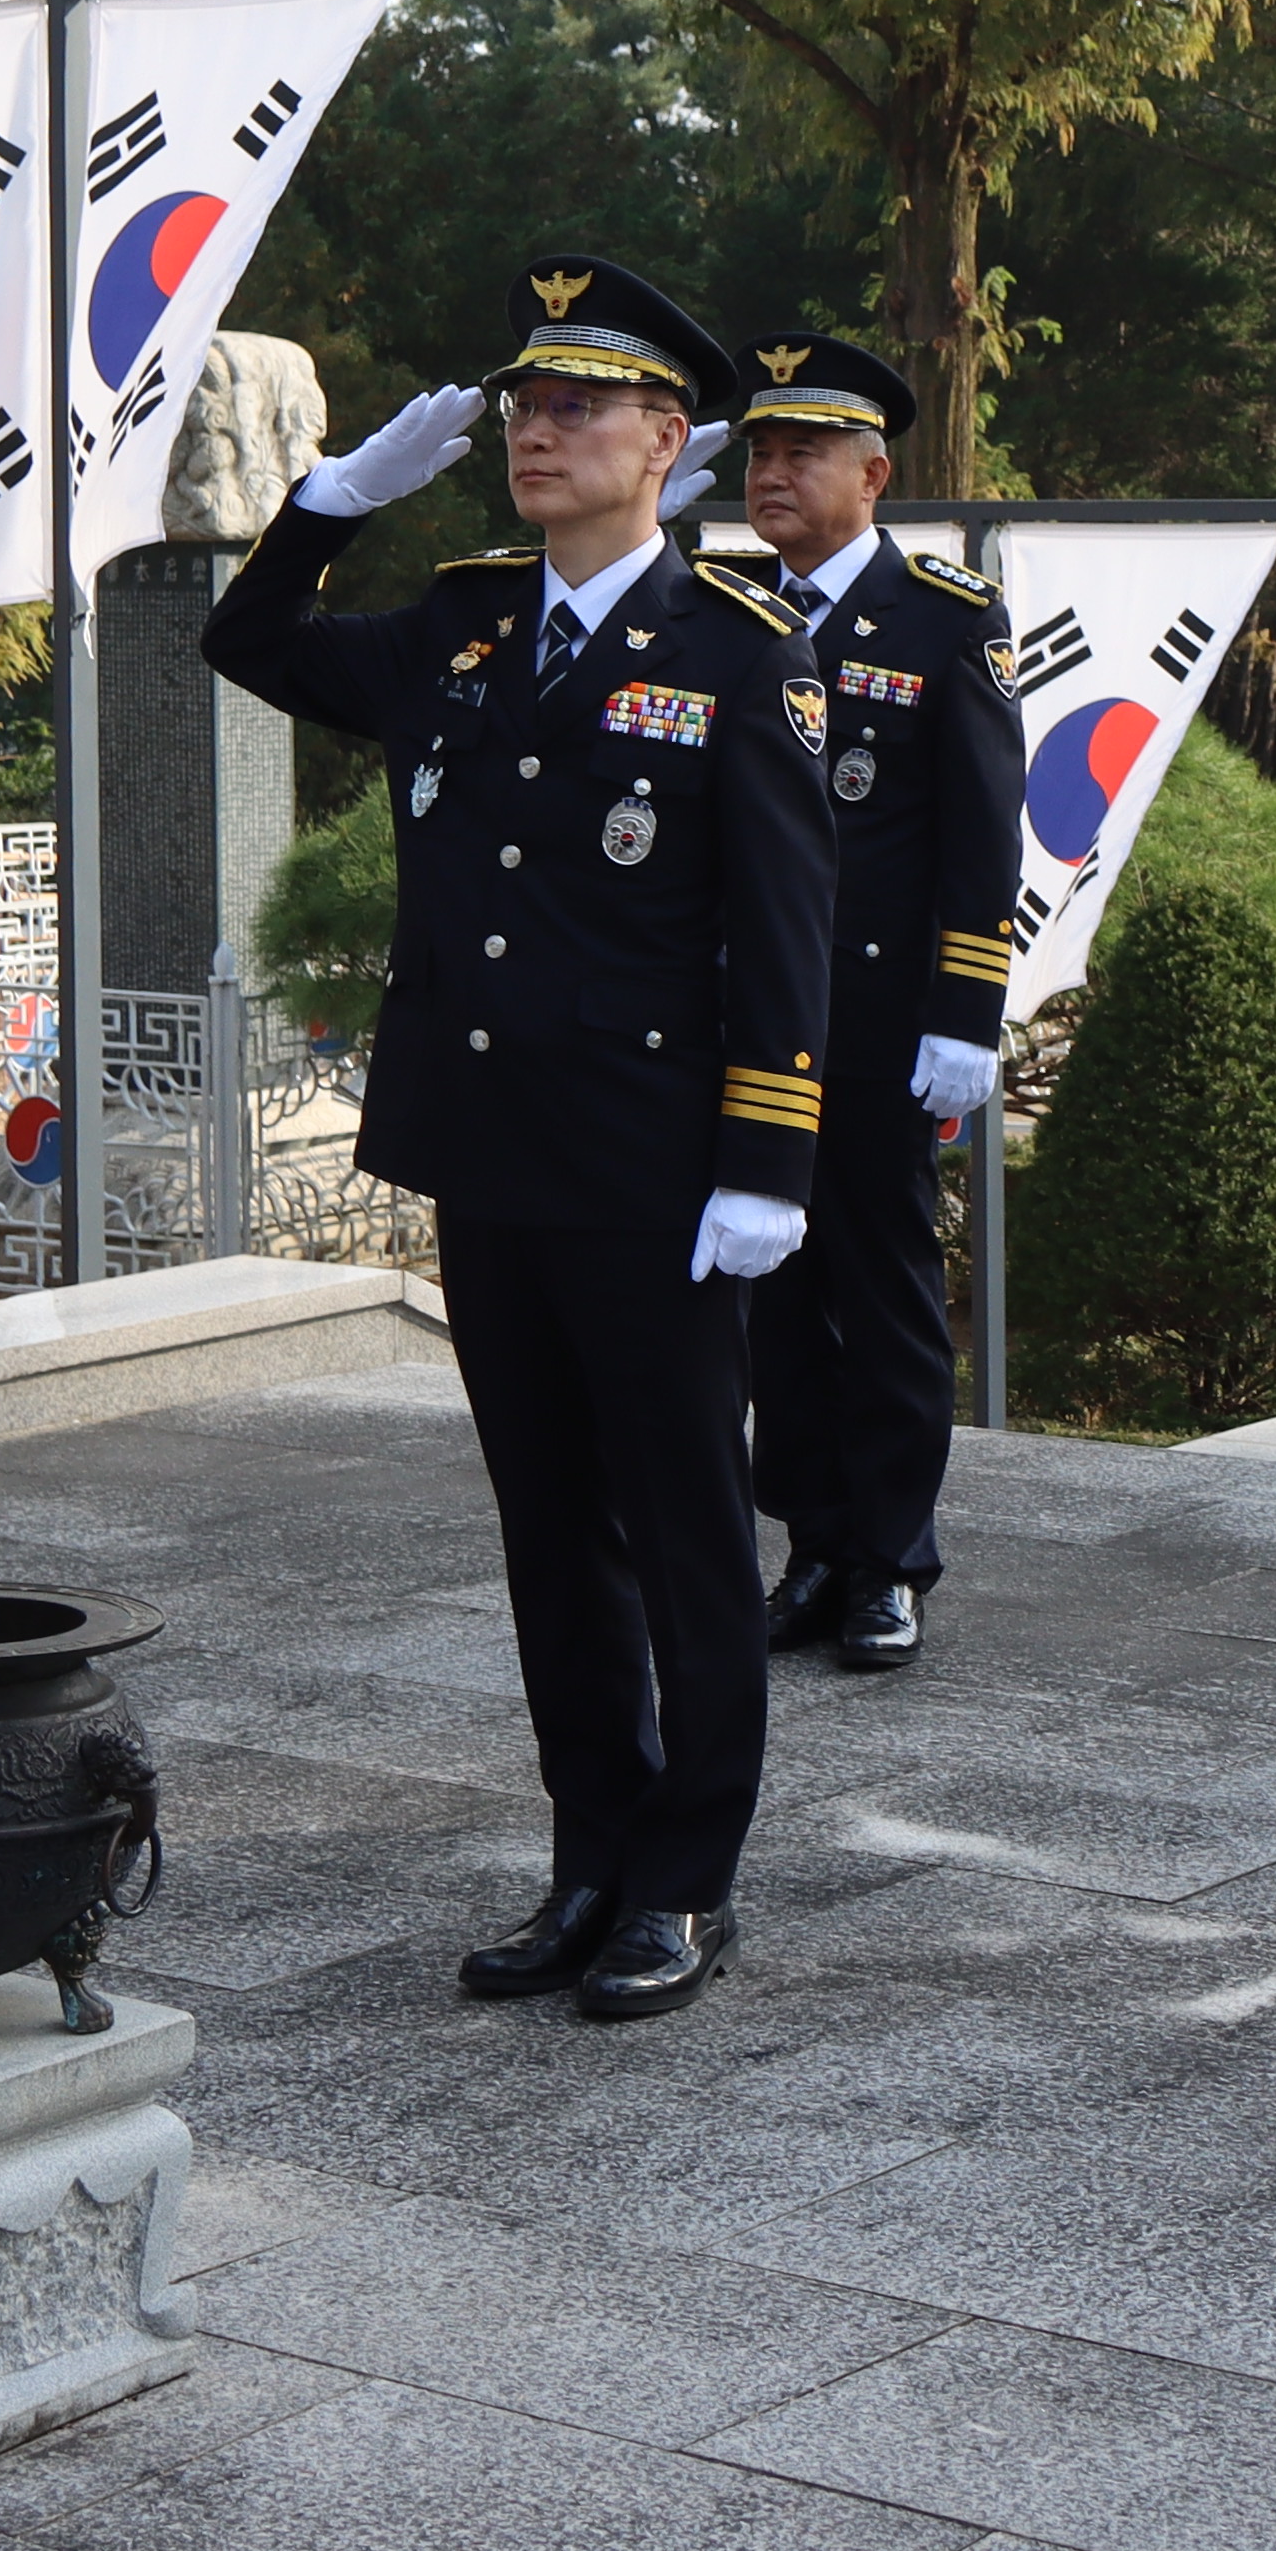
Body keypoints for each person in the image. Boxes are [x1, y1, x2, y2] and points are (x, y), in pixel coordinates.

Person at [202, 257, 838, 2018]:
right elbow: (244, 644)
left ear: (667, 441)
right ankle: (589, 1858)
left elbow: (783, 926)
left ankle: (685, 1886)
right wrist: (328, 505)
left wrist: (769, 1165)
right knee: (551, 1532)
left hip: (655, 1171)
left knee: (688, 1533)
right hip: (490, 1158)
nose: (535, 431)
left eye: (579, 407)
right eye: (522, 407)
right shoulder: (463, 626)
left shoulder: (740, 654)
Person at [696, 332, 1023, 1676]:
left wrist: (968, 1014)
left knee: (882, 1290)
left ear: (873, 472)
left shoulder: (944, 618)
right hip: (748, 1020)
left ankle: (893, 1556)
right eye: (762, 452)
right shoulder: (723, 611)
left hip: (884, 1020)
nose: (773, 474)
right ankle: (816, 1542)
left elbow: (982, 831)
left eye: (803, 453)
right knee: (774, 1296)